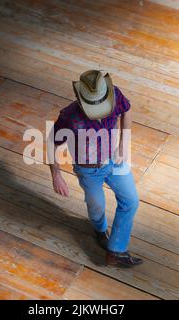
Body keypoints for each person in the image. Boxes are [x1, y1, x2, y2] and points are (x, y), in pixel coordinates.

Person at [49, 70, 142, 268]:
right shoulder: (70, 117)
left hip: (115, 162)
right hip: (88, 170)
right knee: (96, 206)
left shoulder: (114, 94)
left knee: (131, 201)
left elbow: (127, 110)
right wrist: (56, 174)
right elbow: (52, 143)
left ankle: (116, 251)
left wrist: (124, 143)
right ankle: (100, 230)